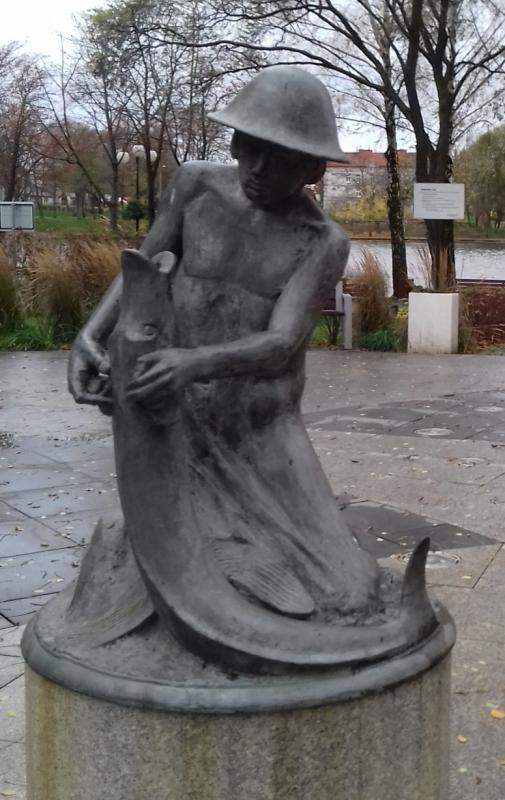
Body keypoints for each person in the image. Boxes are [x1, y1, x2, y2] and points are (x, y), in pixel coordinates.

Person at [65, 67, 420, 670]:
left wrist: (191, 362)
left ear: (313, 169)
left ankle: (254, 568)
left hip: (260, 428)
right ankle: (214, 573)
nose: (256, 167)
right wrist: (91, 336)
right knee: (142, 550)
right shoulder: (195, 186)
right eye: (248, 146)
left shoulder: (321, 241)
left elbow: (280, 343)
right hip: (178, 415)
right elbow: (144, 267)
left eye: (279, 159)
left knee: (351, 592)